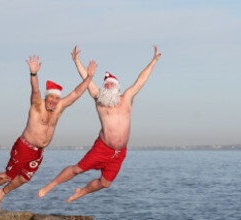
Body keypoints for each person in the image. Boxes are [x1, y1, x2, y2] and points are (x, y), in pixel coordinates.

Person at [38, 45, 161, 202]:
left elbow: (141, 79)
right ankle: (50, 185)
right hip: (102, 148)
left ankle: (81, 192)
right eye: (106, 84)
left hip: (119, 153)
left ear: (117, 87)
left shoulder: (127, 98)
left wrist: (154, 60)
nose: (108, 86)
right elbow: (87, 80)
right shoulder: (99, 100)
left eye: (111, 84)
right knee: (77, 170)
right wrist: (76, 60)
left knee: (105, 183)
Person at [0, 54, 97, 208]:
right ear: (46, 97)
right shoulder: (37, 105)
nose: (53, 101)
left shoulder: (59, 108)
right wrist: (34, 73)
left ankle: (3, 192)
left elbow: (76, 94)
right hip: (24, 147)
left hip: (38, 152)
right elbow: (35, 90)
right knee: (8, 176)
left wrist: (89, 77)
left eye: (56, 98)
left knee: (24, 178)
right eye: (51, 97)